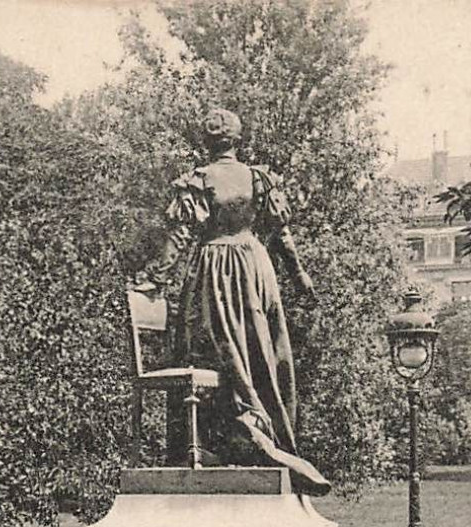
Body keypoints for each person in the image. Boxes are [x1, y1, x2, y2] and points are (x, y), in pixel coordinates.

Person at [134, 107, 332, 496]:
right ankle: (261, 434)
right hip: (257, 268)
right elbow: (281, 234)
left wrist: (149, 280)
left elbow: (178, 239)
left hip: (215, 271)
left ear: (206, 143)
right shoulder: (259, 178)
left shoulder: (199, 180)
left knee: (215, 352)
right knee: (259, 354)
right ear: (237, 141)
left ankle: (243, 434)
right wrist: (299, 275)